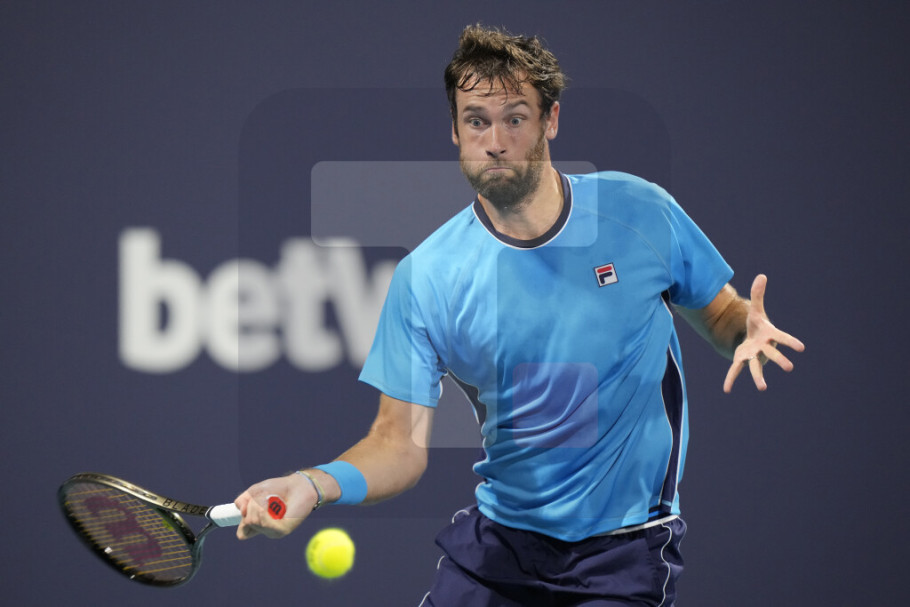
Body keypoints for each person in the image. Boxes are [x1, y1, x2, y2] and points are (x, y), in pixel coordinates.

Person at [234, 24, 805, 606]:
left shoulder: (640, 212)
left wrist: (745, 328)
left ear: (550, 120)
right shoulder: (427, 277)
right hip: (498, 551)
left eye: (515, 118)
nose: (496, 141)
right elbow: (396, 444)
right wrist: (312, 484)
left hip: (625, 554)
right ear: (455, 130)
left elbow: (721, 317)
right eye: (476, 121)